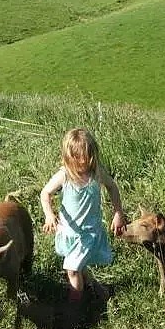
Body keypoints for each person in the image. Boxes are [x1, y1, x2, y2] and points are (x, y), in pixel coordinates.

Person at [40, 128, 125, 303]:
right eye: (78, 157)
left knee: (72, 270)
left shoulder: (96, 173)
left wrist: (118, 212)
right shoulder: (64, 175)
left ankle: (75, 307)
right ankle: (100, 291)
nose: (83, 161)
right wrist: (49, 215)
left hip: (88, 233)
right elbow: (45, 193)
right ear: (68, 157)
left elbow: (112, 187)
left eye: (87, 156)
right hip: (69, 231)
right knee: (78, 266)